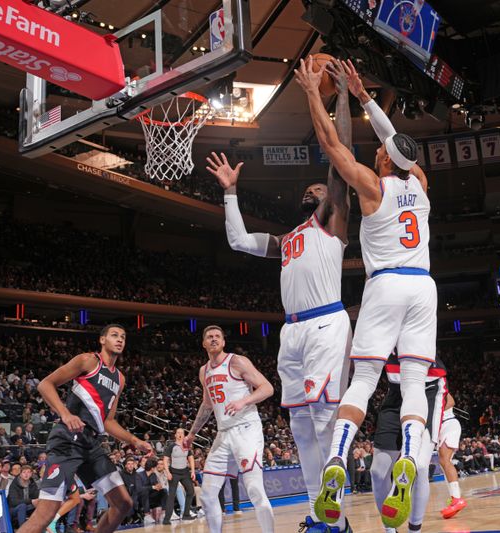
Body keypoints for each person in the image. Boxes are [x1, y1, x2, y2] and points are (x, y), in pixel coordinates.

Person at [206, 59, 353, 533]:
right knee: (301, 428)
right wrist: (231, 193)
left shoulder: (332, 220)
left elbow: (342, 153)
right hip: (291, 331)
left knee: (326, 421)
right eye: (310, 188)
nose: (316, 189)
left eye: (320, 186)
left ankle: (341, 515)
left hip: (327, 322)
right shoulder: (288, 238)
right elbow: (237, 242)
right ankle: (321, 515)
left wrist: (340, 97)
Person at [295, 58, 435, 529]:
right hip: (424, 287)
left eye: (380, 149)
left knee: (363, 381)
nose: (380, 147)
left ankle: (337, 459)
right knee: (415, 384)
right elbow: (400, 146)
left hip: (387, 285)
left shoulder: (374, 189)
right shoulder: (420, 184)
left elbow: (331, 144)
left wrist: (316, 92)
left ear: (383, 161)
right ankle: (412, 461)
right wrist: (364, 97)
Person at [15, 324, 153, 533]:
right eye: (114, 335)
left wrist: (134, 440)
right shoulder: (87, 360)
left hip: (91, 444)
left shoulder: (120, 379)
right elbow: (45, 384)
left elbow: (108, 421)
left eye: (123, 337)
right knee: (46, 514)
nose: (120, 339)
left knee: (123, 503)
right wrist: (65, 413)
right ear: (102, 340)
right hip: (67, 440)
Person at [182, 325, 274, 532]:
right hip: (223, 434)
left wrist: (244, 400)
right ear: (203, 343)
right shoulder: (203, 371)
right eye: (209, 337)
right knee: (207, 493)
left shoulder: (237, 361)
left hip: (246, 428)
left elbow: (267, 388)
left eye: (217, 336)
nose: (214, 339)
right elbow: (207, 405)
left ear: (223, 342)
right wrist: (192, 433)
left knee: (254, 489)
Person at [370, 354, 447, 532]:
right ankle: (390, 529)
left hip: (428, 386)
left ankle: (415, 530)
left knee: (419, 467)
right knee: (377, 471)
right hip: (396, 389)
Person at [437, 393, 466, 520]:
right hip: (440, 427)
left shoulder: (437, 383)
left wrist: (436, 412)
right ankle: (454, 498)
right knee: (443, 463)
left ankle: (457, 498)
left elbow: (451, 401)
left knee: (445, 460)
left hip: (448, 423)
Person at [162, 429, 196, 524]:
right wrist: (168, 472)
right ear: (175, 435)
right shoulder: (171, 446)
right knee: (172, 495)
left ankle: (186, 514)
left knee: (191, 491)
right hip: (174, 472)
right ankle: (166, 519)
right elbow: (165, 459)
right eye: (178, 433)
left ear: (184, 435)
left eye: (182, 433)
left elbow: (191, 458)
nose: (180, 434)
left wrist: (193, 471)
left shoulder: (187, 446)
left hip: (185, 472)